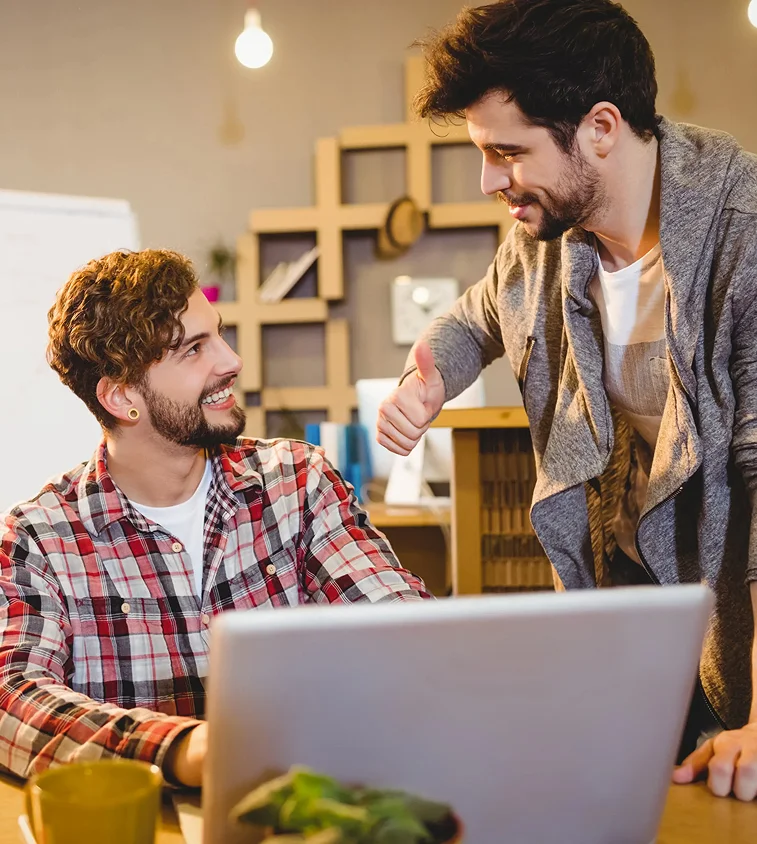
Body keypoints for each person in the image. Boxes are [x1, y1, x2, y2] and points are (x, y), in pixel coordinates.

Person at [377, 0, 757, 801]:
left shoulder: (741, 234)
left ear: (600, 127)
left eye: (507, 153)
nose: (488, 181)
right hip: (632, 601)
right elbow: (477, 314)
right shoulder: (546, 239)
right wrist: (427, 380)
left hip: (737, 610)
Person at [0, 248, 430, 787]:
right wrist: (187, 748)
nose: (231, 361)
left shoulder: (297, 482)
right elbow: (12, 695)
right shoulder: (38, 540)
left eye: (218, 335)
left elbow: (404, 629)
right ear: (121, 396)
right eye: (193, 349)